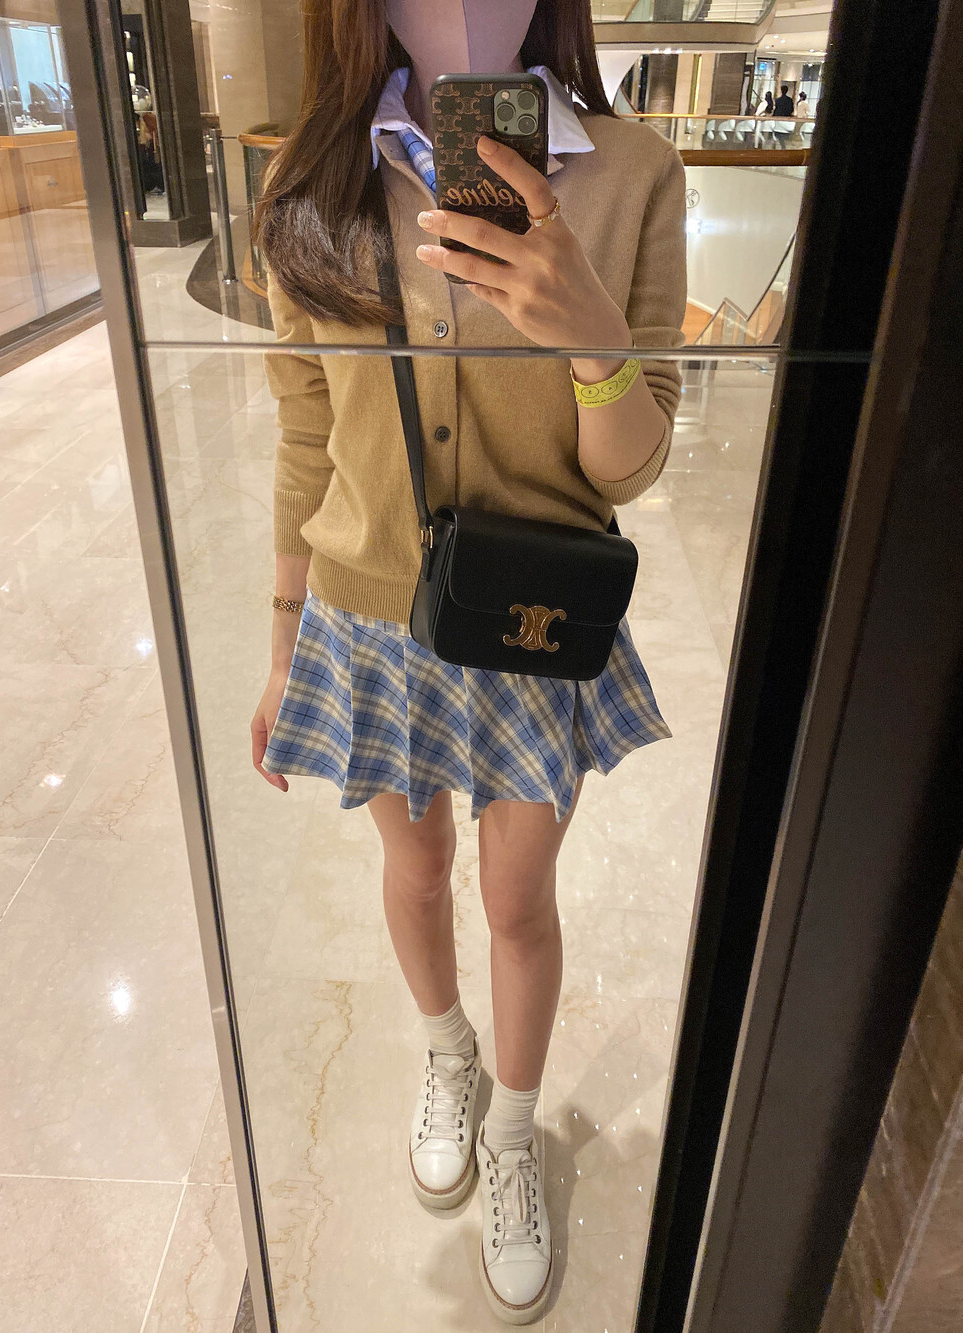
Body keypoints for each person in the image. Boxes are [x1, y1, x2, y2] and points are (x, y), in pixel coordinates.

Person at [249, 0, 686, 1321]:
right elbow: (305, 433)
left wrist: (592, 337)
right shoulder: (312, 176)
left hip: (536, 622)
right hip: (367, 613)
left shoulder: (632, 172)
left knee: (516, 899)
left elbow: (638, 466)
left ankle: (511, 1128)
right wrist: (280, 642)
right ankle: (447, 1053)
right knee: (417, 866)